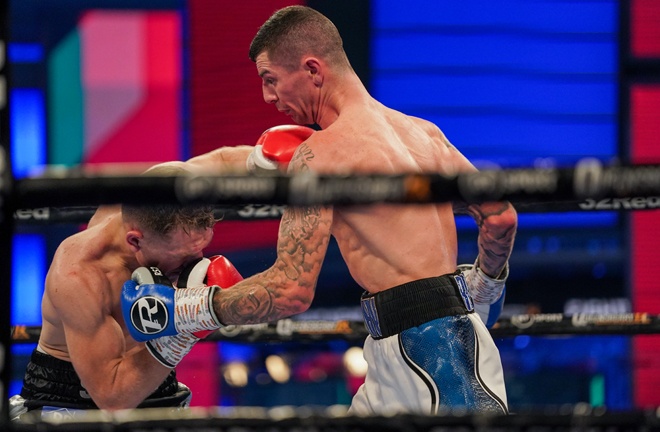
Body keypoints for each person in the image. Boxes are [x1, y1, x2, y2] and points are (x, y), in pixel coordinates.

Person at [121, 5, 518, 416]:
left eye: (270, 79)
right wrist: (484, 288)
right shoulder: (425, 134)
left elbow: (290, 289)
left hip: (435, 357)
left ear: (312, 70)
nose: (267, 97)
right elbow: (500, 215)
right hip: (403, 346)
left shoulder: (320, 155)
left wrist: (183, 310)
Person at [8, 164, 239, 420]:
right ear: (135, 241)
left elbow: (222, 158)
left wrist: (263, 160)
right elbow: (112, 397)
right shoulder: (79, 275)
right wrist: (186, 328)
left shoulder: (150, 194)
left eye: (201, 247)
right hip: (71, 399)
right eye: (181, 255)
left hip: (155, 379)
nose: (196, 261)